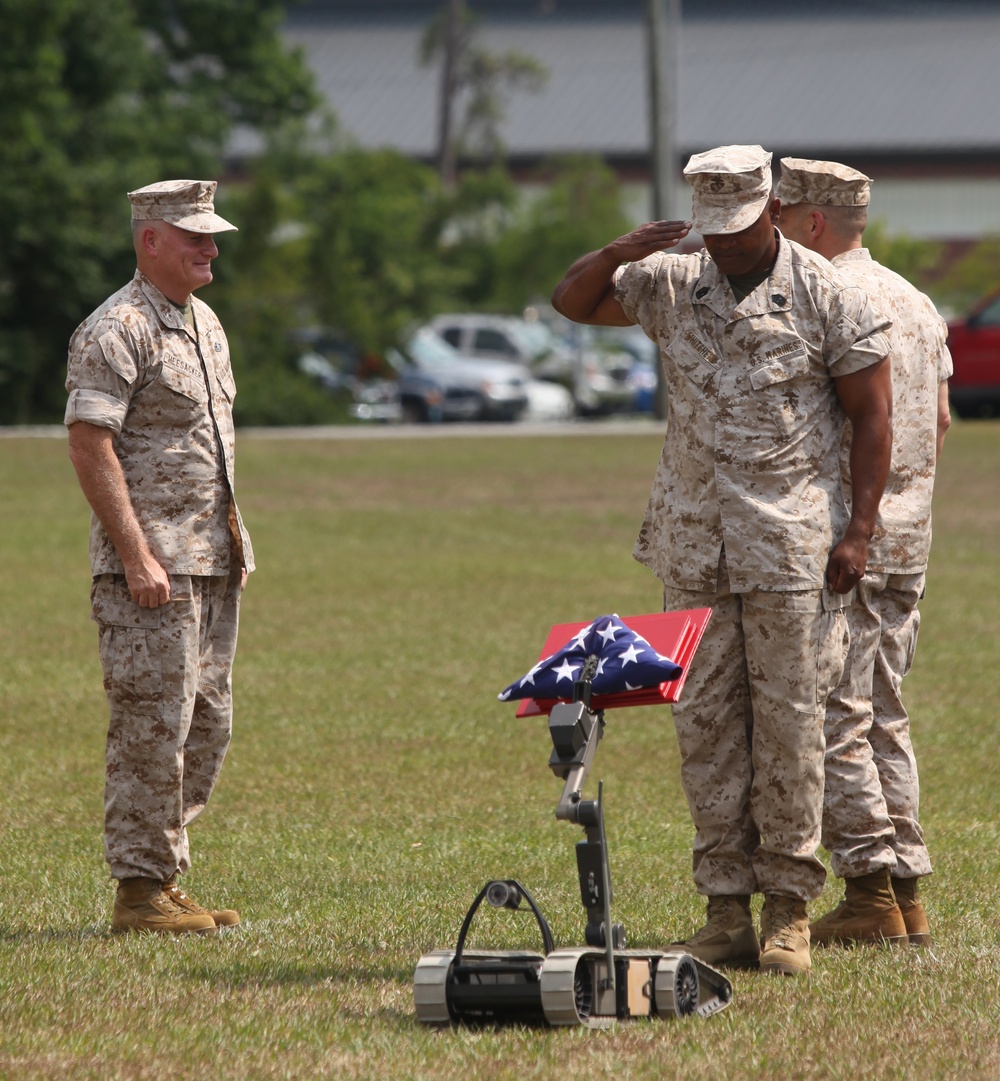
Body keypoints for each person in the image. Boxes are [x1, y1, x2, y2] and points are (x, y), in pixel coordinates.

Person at [551, 145, 893, 976]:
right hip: (693, 543)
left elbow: (873, 414)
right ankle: (724, 908)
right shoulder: (673, 281)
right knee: (704, 730)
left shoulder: (828, 293)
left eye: (739, 227)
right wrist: (622, 250)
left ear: (772, 208)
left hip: (789, 545)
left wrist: (860, 529)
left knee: (792, 728)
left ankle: (788, 910)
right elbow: (573, 302)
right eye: (711, 228)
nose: (726, 243)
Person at [65, 179, 254, 935]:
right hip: (150, 569)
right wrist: (136, 553)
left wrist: (235, 538)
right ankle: (137, 891)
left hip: (209, 558)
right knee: (152, 726)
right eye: (196, 236)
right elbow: (89, 442)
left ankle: (166, 875)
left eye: (213, 236)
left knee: (207, 722)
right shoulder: (117, 327)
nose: (211, 248)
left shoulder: (203, 321)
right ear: (151, 240)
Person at [776, 158, 952, 947]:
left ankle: (870, 890)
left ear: (813, 223)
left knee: (836, 717)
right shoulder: (917, 301)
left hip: (849, 536)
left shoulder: (830, 299)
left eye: (781, 215)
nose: (769, 228)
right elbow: (940, 420)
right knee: (885, 713)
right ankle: (906, 890)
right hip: (908, 538)